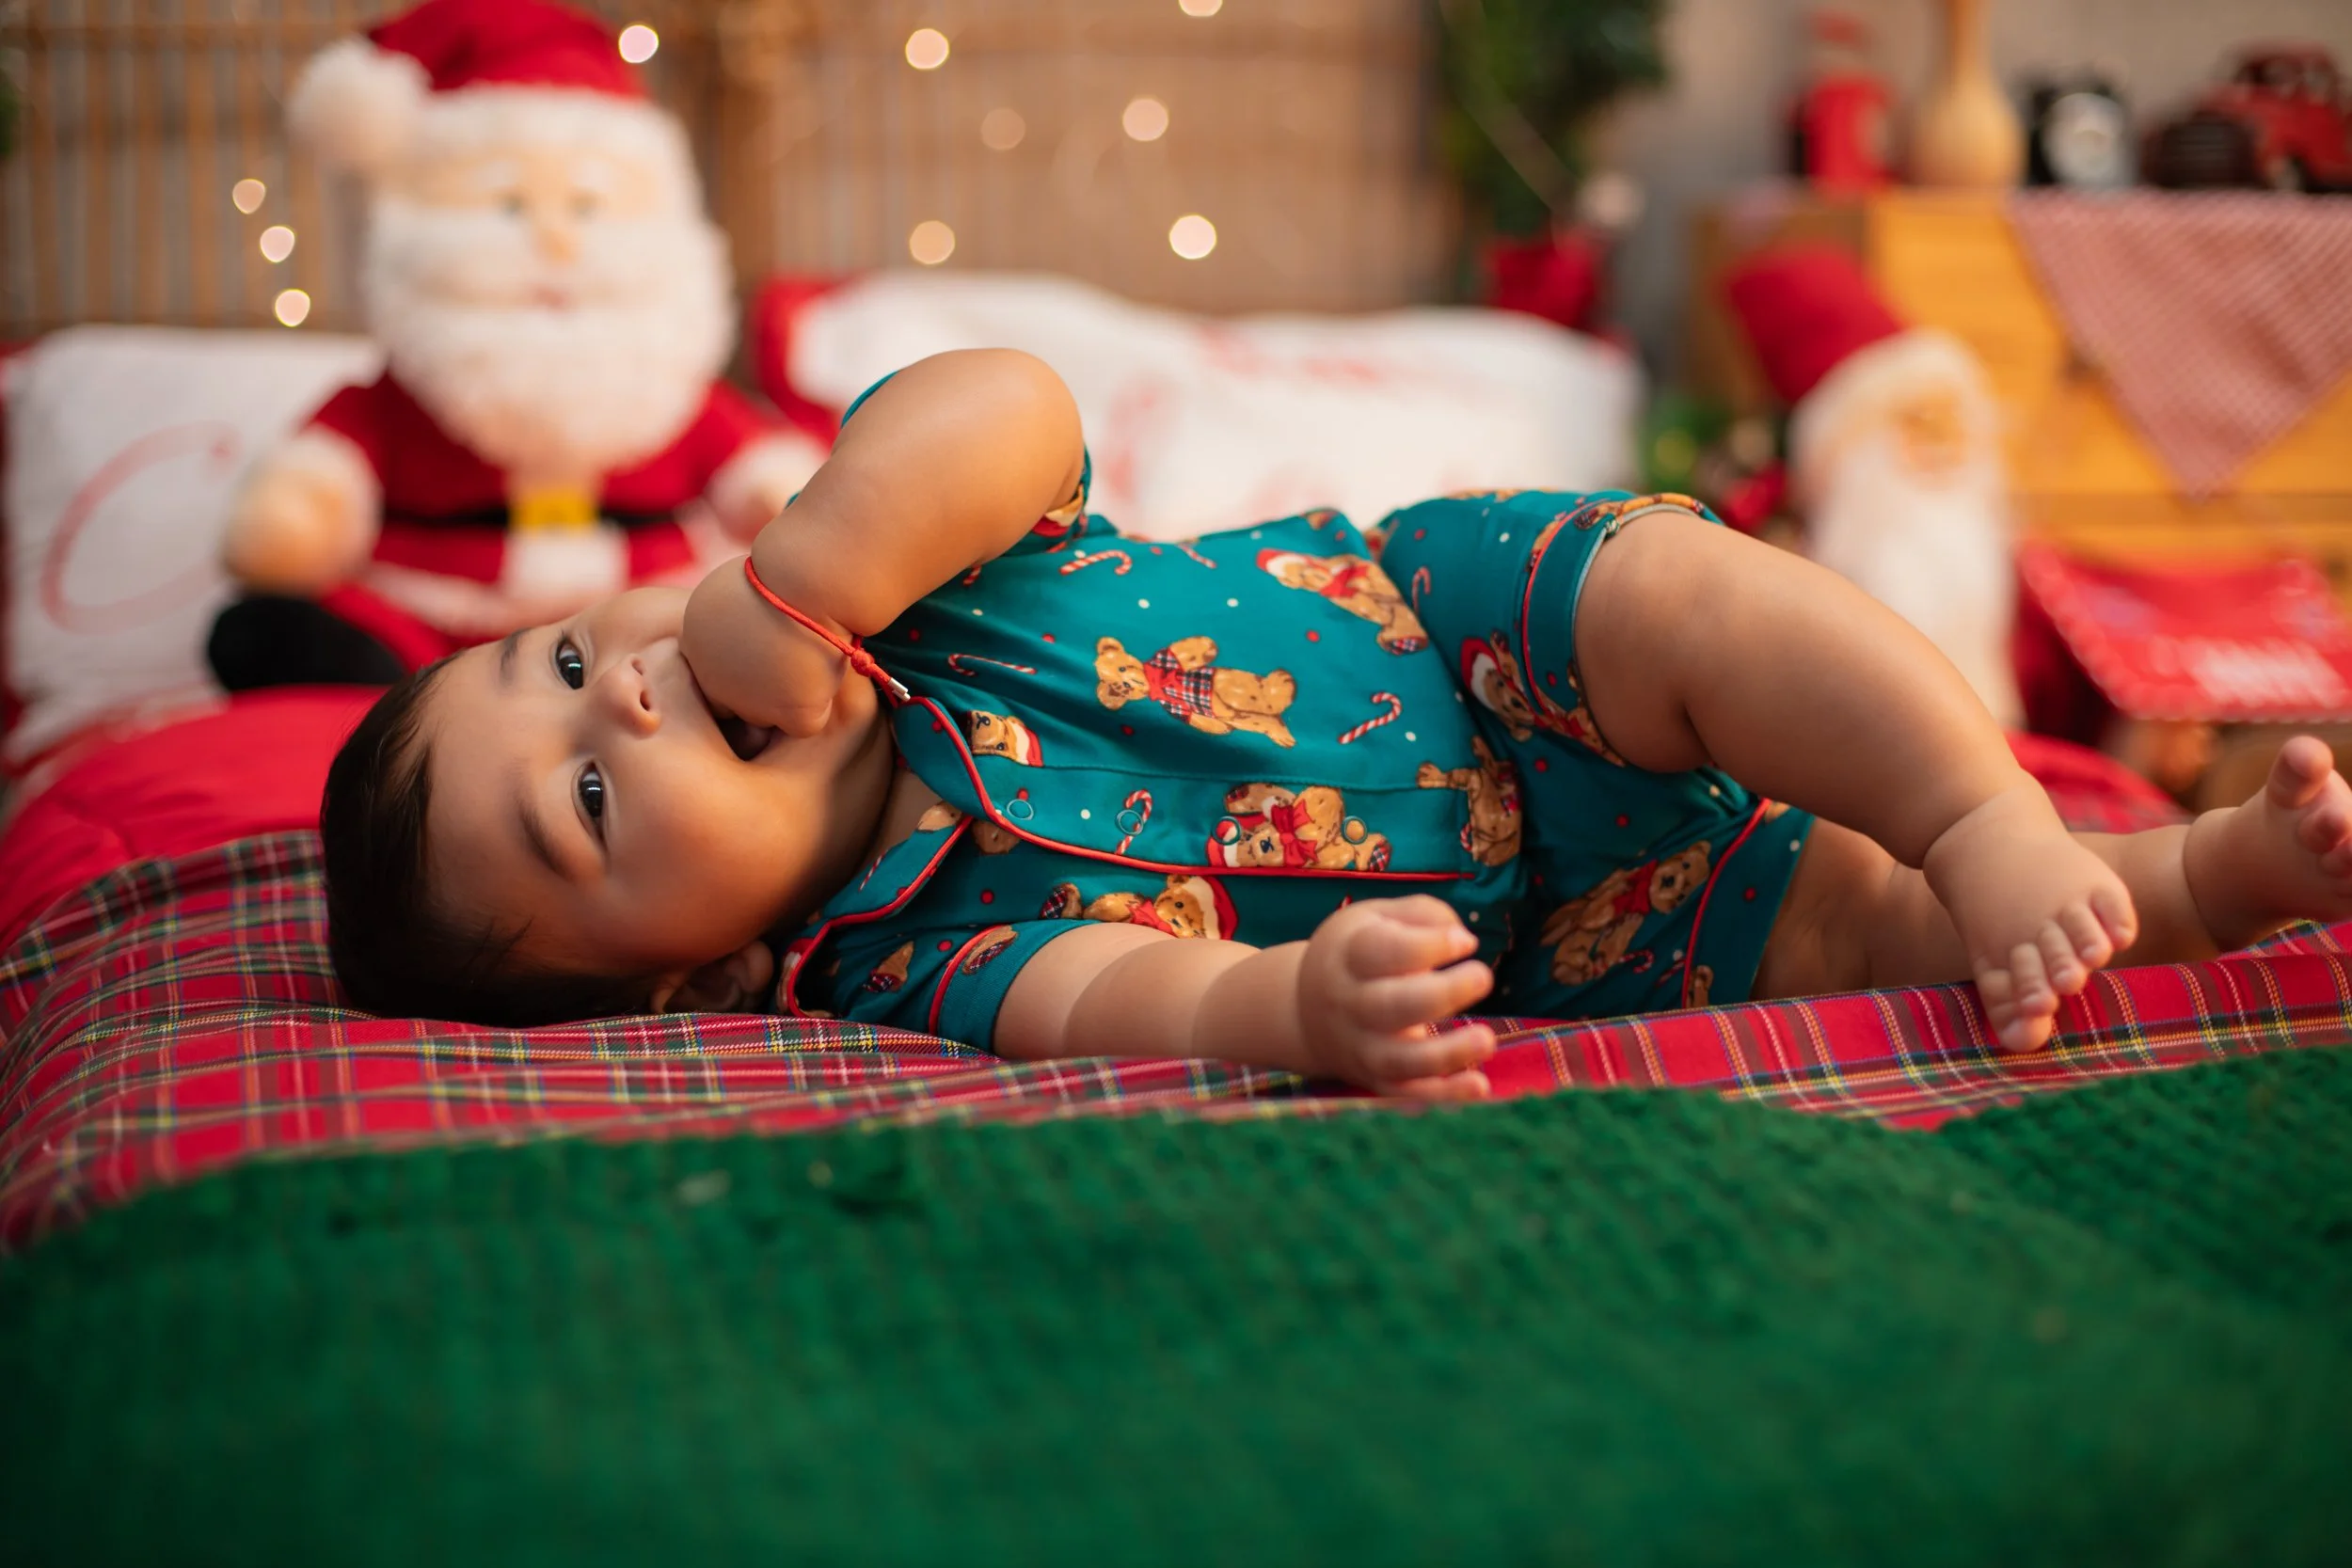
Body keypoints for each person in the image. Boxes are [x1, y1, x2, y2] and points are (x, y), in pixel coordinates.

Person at [322, 351, 2352, 1099]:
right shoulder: (903, 956)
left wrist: (804, 574)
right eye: (591, 795)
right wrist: (1293, 1020)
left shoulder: (893, 564)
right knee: (1849, 937)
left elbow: (1006, 404)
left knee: (1702, 603)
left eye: (570, 661)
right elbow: (1120, 997)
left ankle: (1981, 802)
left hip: (1469, 628)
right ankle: (2197, 877)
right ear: (704, 975)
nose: (633, 694)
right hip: (1560, 924)